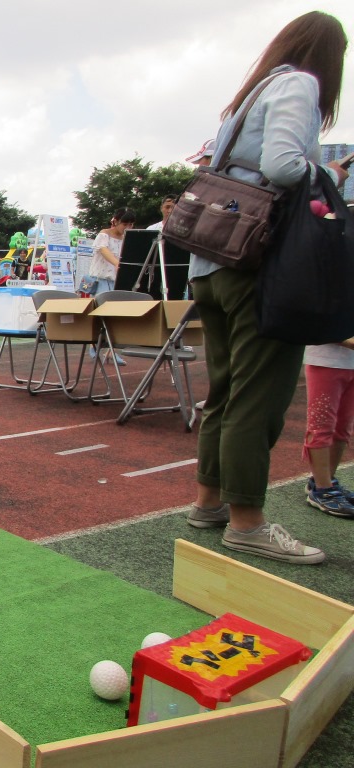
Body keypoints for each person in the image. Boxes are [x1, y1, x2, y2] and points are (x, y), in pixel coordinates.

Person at [185, 11, 349, 565]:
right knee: (258, 398)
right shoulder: (302, 84)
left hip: (211, 262)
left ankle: (209, 502)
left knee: (225, 392)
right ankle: (248, 521)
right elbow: (282, 166)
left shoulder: (251, 94)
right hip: (254, 268)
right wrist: (326, 177)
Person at [302, 340, 354, 518]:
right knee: (321, 426)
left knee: (343, 427)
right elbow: (318, 321)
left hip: (350, 362)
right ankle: (323, 489)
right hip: (325, 361)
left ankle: (326, 481)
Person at [88, 207, 136, 365]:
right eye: (125, 224)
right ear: (115, 221)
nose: (128, 228)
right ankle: (93, 346)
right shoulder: (104, 235)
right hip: (101, 279)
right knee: (99, 315)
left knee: (118, 317)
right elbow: (103, 250)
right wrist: (118, 264)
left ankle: (111, 351)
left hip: (117, 281)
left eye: (131, 225)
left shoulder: (128, 239)